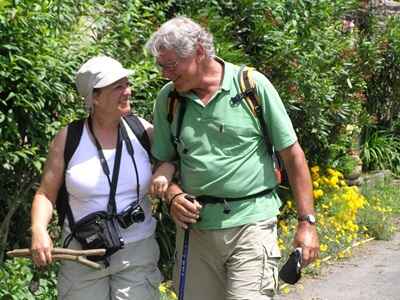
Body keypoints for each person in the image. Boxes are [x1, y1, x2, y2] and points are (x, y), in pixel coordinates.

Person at [145, 16, 320, 300]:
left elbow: (293, 156)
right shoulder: (169, 100)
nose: (165, 73)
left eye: (171, 65)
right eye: (161, 66)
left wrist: (307, 223)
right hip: (196, 232)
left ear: (199, 52)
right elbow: (164, 162)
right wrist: (174, 196)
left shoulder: (251, 86)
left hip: (251, 225)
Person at [30, 56, 172, 299]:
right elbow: (45, 193)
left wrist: (164, 172)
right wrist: (39, 230)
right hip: (83, 253)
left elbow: (170, 157)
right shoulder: (69, 138)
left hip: (137, 251)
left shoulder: (141, 131)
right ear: (95, 97)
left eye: (127, 84)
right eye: (118, 87)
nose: (128, 91)